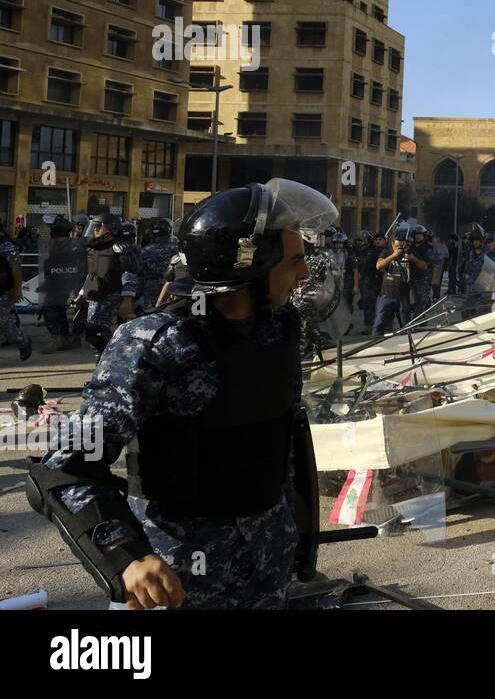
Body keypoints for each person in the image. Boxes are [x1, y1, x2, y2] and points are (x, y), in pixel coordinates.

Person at [27, 179, 335, 609]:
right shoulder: (155, 343)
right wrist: (127, 559)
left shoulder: (279, 330)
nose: (303, 274)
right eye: (294, 261)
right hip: (180, 578)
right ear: (251, 264)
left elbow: (282, 442)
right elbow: (66, 469)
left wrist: (301, 541)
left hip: (268, 565)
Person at [69, 212, 138, 358]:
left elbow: (129, 273)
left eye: (99, 228)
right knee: (94, 335)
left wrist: (127, 299)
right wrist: (82, 295)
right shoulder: (95, 248)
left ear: (111, 230)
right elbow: (92, 274)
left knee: (97, 333)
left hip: (112, 294)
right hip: (95, 294)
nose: (95, 231)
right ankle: (103, 368)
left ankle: (110, 366)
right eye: (94, 227)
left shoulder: (120, 248)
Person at [39, 217, 82, 353]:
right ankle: (65, 337)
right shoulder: (67, 244)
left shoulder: (62, 246)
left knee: (50, 310)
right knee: (59, 309)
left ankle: (57, 338)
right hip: (61, 282)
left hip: (59, 282)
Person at [374, 226, 423, 334]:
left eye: (402, 246)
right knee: (379, 323)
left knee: (406, 324)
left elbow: (424, 266)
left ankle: (407, 343)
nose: (399, 249)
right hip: (387, 294)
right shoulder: (386, 252)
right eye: (397, 246)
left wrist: (412, 258)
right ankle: (374, 343)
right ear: (392, 245)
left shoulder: (410, 253)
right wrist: (393, 255)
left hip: (403, 295)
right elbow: (379, 266)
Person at [0, 233, 32, 361]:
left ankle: (23, 342)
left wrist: (18, 289)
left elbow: (16, 266)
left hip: (3, 291)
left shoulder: (4, 244)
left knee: (4, 323)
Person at [135, 219, 176, 316]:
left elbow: (140, 274)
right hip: (171, 287)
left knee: (151, 316)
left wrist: (137, 292)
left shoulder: (145, 251)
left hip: (151, 288)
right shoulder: (176, 249)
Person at [357, 231, 386, 332]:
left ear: (384, 241)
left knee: (384, 304)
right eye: (376, 239)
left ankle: (384, 324)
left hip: (384, 281)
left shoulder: (388, 251)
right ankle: (369, 325)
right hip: (370, 280)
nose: (378, 241)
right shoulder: (368, 251)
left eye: (380, 239)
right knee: (369, 304)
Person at [408, 225, 435, 317]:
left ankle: (418, 321)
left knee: (421, 301)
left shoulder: (428, 248)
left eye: (420, 234)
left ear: (424, 235)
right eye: (416, 234)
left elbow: (425, 266)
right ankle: (421, 320)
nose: (418, 236)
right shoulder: (411, 247)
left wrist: (412, 258)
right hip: (412, 277)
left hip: (423, 279)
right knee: (414, 301)